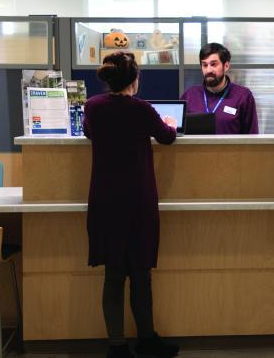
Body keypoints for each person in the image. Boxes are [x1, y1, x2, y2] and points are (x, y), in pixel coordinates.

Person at [83, 51, 179, 358]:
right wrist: (169, 123)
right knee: (140, 273)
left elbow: (88, 132)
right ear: (134, 80)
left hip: (105, 201)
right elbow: (166, 137)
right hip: (137, 201)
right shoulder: (143, 110)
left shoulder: (93, 107)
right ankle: (147, 340)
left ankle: (117, 346)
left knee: (113, 275)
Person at [180, 42, 259, 134]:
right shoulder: (190, 95)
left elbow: (252, 136)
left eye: (213, 64)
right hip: (197, 148)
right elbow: (177, 131)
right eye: (205, 65)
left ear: (226, 66)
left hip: (231, 148)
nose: (208, 70)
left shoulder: (243, 96)